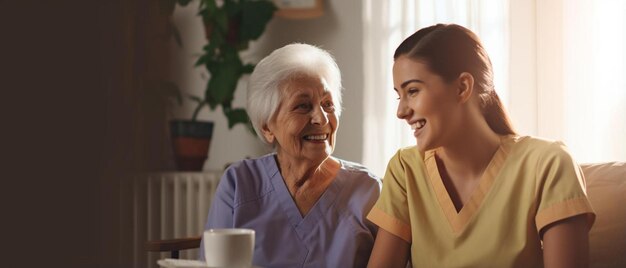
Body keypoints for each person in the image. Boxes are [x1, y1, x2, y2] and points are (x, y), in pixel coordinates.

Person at [366, 24, 596, 267]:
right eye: (398, 96)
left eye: (412, 91)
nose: (401, 111)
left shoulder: (548, 164)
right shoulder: (405, 169)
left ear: (463, 87)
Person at [200, 43, 381, 267]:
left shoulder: (367, 191)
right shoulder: (239, 183)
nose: (322, 119)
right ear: (267, 127)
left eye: (328, 104)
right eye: (303, 106)